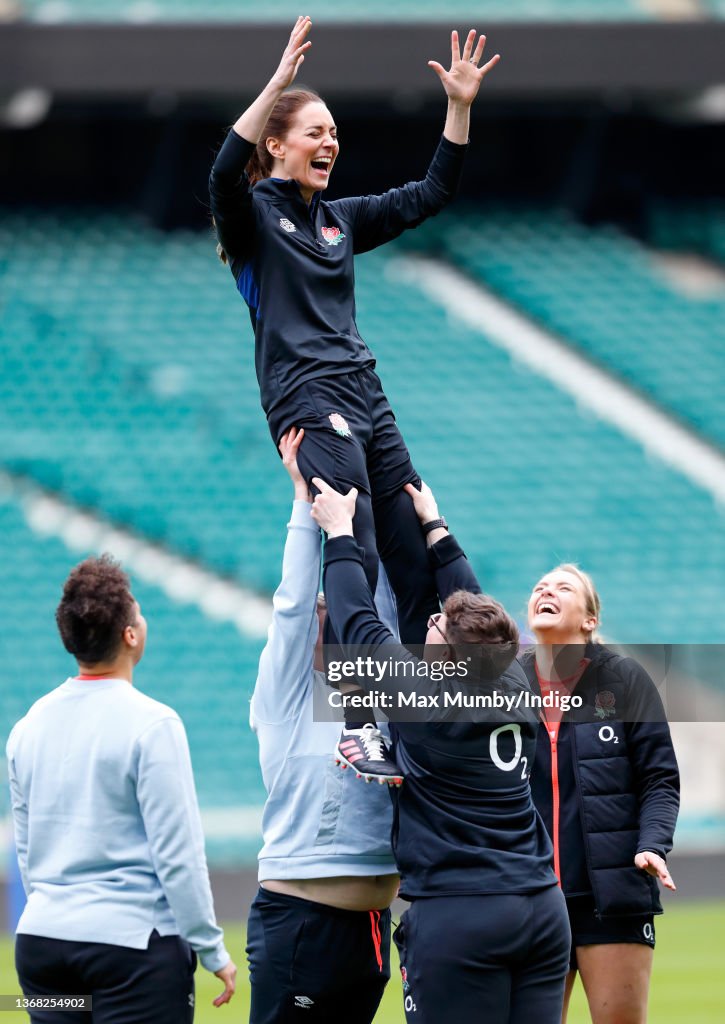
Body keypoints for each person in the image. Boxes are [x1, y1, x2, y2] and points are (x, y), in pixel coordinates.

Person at [209, 17, 500, 777]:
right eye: (314, 131)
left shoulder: (336, 219)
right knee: (353, 545)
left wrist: (459, 107)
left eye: (334, 132)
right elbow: (219, 175)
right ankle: (359, 723)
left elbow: (432, 191)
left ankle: (420, 713)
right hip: (308, 400)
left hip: (368, 397)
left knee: (410, 555)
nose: (330, 142)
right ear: (276, 143)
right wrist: (274, 84)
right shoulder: (252, 220)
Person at [309, 477, 572, 1024]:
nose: (427, 621)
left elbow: (356, 623)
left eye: (434, 624)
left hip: (461, 912)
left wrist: (338, 535)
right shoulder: (514, 681)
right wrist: (435, 527)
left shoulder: (421, 693)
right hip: (542, 906)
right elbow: (478, 617)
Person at [6, 556, 236, 1024]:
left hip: (42, 949)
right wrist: (212, 950)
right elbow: (178, 854)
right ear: (131, 634)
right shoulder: (153, 724)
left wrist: (57, 907)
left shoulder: (27, 726)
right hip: (130, 953)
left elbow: (27, 849)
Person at [246, 426, 400, 1023]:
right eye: (321, 607)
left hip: (372, 928)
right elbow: (290, 605)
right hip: (302, 922)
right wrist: (303, 505)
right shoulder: (286, 695)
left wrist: (369, 507)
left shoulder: (383, 692)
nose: (323, 612)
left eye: (333, 607)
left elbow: (376, 610)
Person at [522, 565, 680, 1024]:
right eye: (540, 587)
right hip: (526, 895)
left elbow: (659, 779)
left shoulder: (625, 680)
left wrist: (652, 844)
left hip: (609, 893)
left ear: (590, 619)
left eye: (563, 588)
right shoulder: (505, 683)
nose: (546, 591)